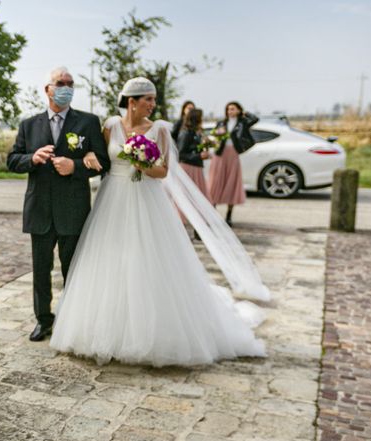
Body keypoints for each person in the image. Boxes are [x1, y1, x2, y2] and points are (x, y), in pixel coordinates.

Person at [49, 77, 266, 366]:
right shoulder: (111, 126)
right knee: (111, 258)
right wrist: (88, 154)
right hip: (113, 199)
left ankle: (152, 331)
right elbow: (101, 157)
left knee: (149, 258)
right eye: (148, 99)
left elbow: (164, 171)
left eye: (153, 99)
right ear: (132, 102)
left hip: (147, 198)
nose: (153, 104)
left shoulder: (160, 129)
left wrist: (143, 163)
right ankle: (106, 327)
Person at [7, 66, 110, 342]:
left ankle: (75, 321)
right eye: (60, 83)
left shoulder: (88, 122)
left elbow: (103, 163)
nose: (66, 88)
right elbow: (12, 160)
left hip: (73, 210)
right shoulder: (29, 125)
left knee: (72, 270)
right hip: (39, 209)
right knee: (40, 272)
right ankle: (44, 320)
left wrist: (74, 166)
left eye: (70, 83)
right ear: (48, 89)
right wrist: (33, 158)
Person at [209, 101, 258, 226]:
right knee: (216, 182)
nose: (230, 111)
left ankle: (229, 215)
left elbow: (255, 119)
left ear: (238, 110)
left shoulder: (242, 123)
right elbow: (213, 135)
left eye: (233, 109)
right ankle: (212, 212)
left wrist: (244, 113)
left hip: (233, 154)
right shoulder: (221, 122)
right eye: (228, 109)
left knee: (231, 183)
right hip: (220, 154)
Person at [177, 108, 211, 201]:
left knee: (199, 199)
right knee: (188, 199)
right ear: (197, 119)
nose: (203, 119)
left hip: (196, 167)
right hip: (189, 169)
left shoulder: (198, 132)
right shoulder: (186, 133)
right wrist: (199, 156)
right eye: (201, 117)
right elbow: (181, 154)